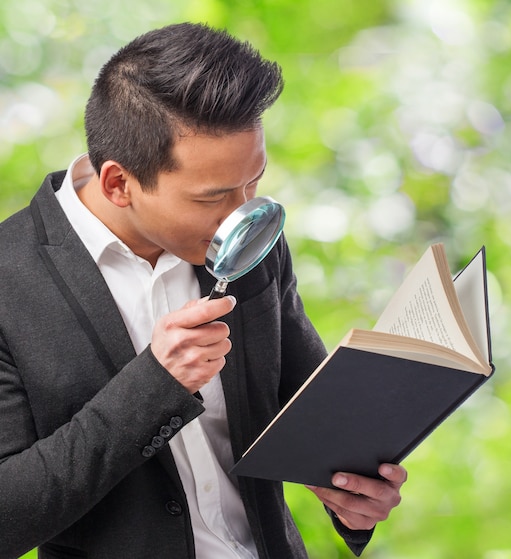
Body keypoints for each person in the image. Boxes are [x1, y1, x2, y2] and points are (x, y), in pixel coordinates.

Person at [0, 22, 407, 559]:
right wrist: (154, 384)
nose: (242, 213)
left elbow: (308, 409)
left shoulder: (252, 242)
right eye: (213, 197)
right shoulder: (10, 278)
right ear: (118, 184)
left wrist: (357, 494)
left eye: (254, 181)